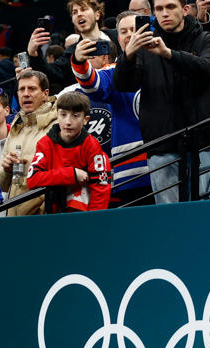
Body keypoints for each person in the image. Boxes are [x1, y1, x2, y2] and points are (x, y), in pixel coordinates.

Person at [114, 0, 210, 203]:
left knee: (204, 216)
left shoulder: (205, 38)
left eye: (170, 7)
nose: (164, 13)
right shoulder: (144, 46)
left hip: (201, 143)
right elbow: (123, 85)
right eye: (159, 9)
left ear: (185, 10)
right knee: (169, 219)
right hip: (161, 146)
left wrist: (168, 54)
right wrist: (127, 55)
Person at [71, 10, 153, 206]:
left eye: (133, 29)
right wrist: (80, 62)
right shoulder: (113, 71)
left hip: (168, 164)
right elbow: (94, 84)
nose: (128, 35)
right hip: (129, 174)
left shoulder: (164, 63)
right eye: (123, 31)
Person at [26, 91, 112, 212]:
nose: (68, 122)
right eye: (63, 114)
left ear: (86, 120)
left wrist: (94, 220)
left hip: (84, 216)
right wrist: (72, 174)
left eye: (75, 116)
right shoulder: (45, 143)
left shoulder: (92, 146)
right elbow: (32, 180)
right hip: (54, 212)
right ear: (57, 116)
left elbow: (101, 188)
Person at [0, 70, 59, 216]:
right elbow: (0, 186)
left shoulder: (58, 125)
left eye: (32, 89)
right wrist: (6, 169)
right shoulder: (16, 126)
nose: (26, 94)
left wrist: (45, 211)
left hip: (43, 220)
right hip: (14, 217)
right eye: (21, 89)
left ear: (45, 93)